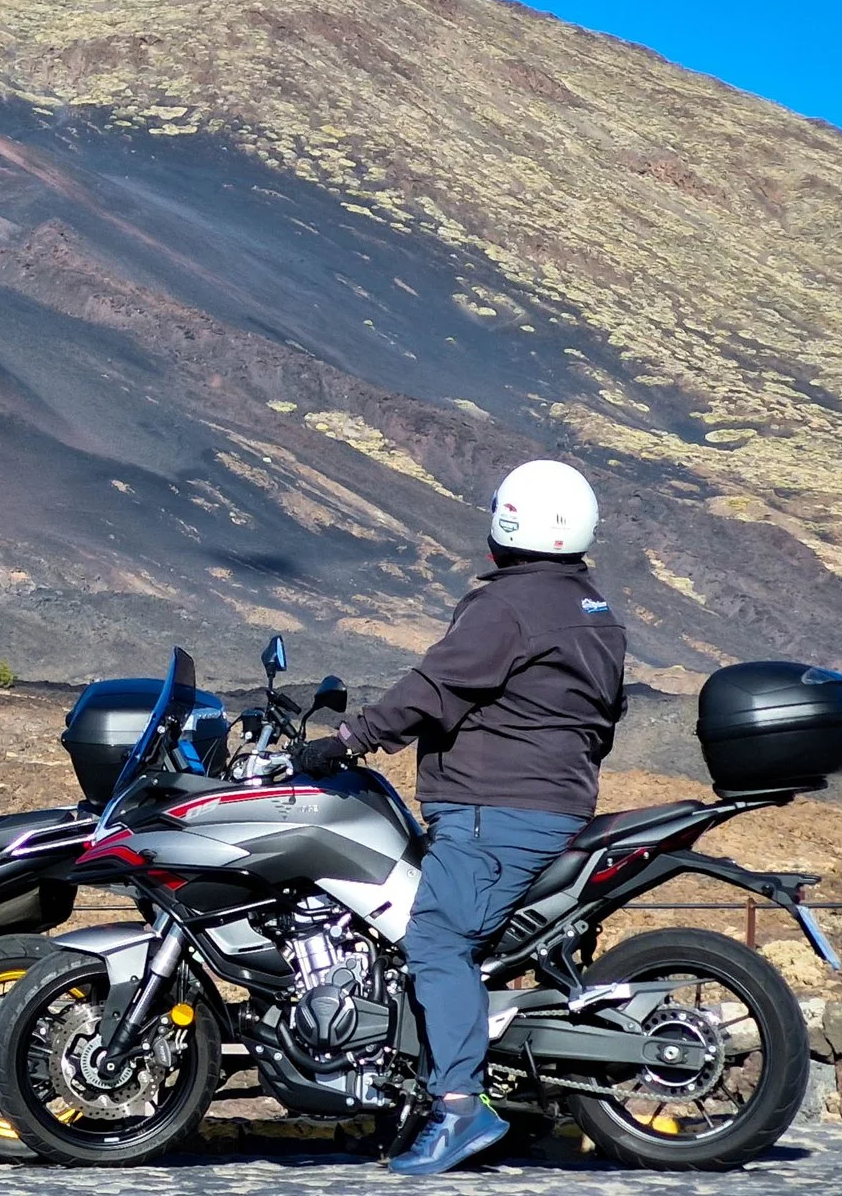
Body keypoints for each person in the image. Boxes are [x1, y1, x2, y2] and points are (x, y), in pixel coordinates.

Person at [288, 458, 626, 1176]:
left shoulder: (506, 606)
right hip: (551, 802)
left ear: (506, 524)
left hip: (497, 812)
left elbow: (434, 688)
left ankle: (458, 1108)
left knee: (438, 939)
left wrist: (348, 740)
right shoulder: (589, 605)